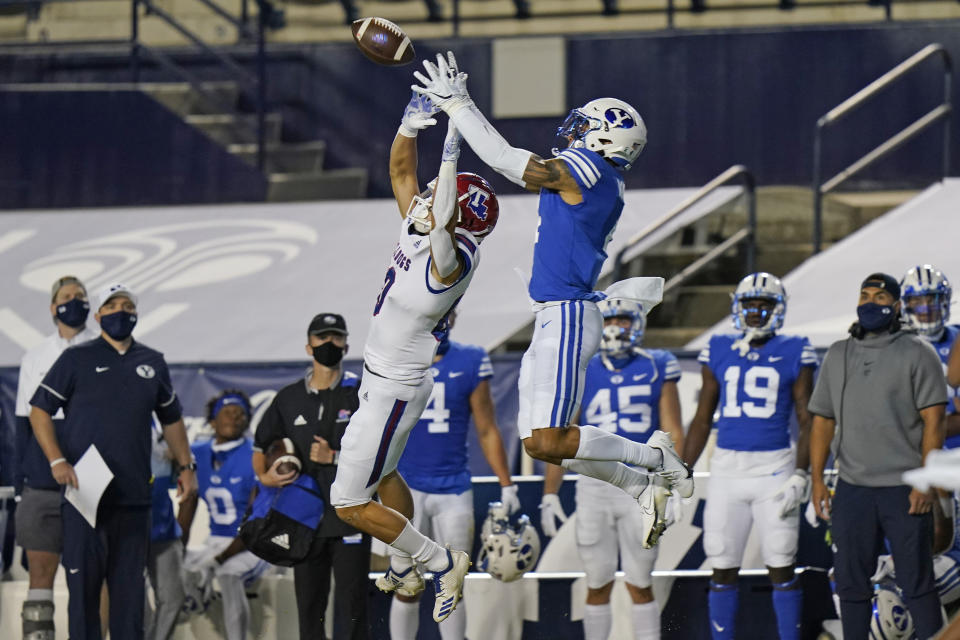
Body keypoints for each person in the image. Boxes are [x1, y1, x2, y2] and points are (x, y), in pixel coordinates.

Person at [412, 52, 692, 542]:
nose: (574, 134)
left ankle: (654, 458)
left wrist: (460, 106)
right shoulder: (599, 177)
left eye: (586, 126)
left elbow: (504, 161)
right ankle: (640, 485)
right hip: (551, 314)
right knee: (540, 445)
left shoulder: (592, 171)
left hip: (567, 313)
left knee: (552, 437)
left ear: (605, 137)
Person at [328, 92, 499, 624]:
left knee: (348, 502)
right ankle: (405, 563)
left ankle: (439, 561)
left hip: (393, 387)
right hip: (384, 378)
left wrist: (450, 155)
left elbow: (444, 231)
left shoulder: (454, 261)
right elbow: (401, 173)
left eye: (436, 196)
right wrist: (409, 127)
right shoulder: (425, 224)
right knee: (387, 474)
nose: (422, 198)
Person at [28, 282, 198, 640]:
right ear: (99, 315)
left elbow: (171, 419)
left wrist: (186, 467)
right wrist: (57, 460)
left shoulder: (152, 362)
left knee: (129, 598)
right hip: (85, 495)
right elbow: (39, 409)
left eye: (127, 305)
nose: (121, 311)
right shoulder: (76, 358)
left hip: (134, 497)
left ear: (135, 313)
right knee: (85, 595)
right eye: (112, 305)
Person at [809, 272, 946, 640]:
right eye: (865, 295)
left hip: (904, 489)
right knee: (851, 586)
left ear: (897, 305)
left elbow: (934, 422)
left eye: (880, 297)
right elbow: (822, 421)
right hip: (853, 490)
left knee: (917, 585)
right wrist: (818, 479)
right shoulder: (838, 354)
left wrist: (926, 481)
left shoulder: (919, 352)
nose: (871, 303)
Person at [681, 272, 817, 640]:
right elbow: (702, 418)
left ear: (779, 308)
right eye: (749, 304)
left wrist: (803, 474)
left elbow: (808, 419)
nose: (756, 311)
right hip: (727, 468)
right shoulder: (720, 347)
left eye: (765, 304)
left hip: (775, 467)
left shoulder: (795, 348)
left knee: (781, 563)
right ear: (737, 307)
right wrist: (680, 471)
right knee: (722, 564)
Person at [542, 298, 683, 640]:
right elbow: (561, 435)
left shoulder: (657, 364)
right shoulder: (583, 367)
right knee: (597, 581)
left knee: (640, 582)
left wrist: (672, 482)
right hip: (594, 484)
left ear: (638, 324)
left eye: (624, 320)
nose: (617, 327)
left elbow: (673, 430)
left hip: (641, 483)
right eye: (611, 320)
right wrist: (549, 493)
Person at [386, 310, 519, 640]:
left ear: (455, 316)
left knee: (452, 583)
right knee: (406, 581)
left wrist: (507, 484)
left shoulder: (471, 359)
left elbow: (487, 428)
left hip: (453, 488)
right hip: (406, 486)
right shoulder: (398, 357)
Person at [253, 313, 370, 640]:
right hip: (304, 521)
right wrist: (265, 477)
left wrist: (334, 457)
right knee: (310, 609)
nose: (329, 344)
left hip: (352, 517)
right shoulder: (288, 398)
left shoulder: (361, 393)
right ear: (309, 346)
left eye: (336, 338)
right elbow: (259, 444)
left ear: (346, 344)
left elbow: (383, 452)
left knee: (354, 608)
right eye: (322, 338)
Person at [14, 275, 99, 640]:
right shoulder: (34, 357)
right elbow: (23, 426)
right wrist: (21, 485)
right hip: (43, 481)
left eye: (80, 296)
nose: (74, 302)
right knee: (41, 577)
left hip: (91, 479)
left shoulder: (103, 351)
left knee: (93, 575)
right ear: (53, 307)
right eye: (67, 297)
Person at [179, 389, 269, 640]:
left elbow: (256, 521)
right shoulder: (197, 452)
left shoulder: (256, 454)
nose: (235, 417)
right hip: (215, 538)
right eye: (227, 412)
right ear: (212, 421)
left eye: (241, 414)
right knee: (177, 568)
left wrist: (218, 560)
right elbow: (187, 506)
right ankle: (195, 609)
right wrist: (178, 552)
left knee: (228, 575)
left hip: (252, 544)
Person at [901, 265, 960, 448]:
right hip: (911, 456)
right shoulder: (893, 346)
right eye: (917, 301)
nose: (925, 308)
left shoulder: (957, 338)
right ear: (904, 305)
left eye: (932, 299)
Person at [145, 421, 185, 640]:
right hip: (126, 530)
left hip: (164, 528)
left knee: (173, 597)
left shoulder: (164, 419)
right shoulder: (110, 414)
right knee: (130, 600)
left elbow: (188, 488)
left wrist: (181, 463)